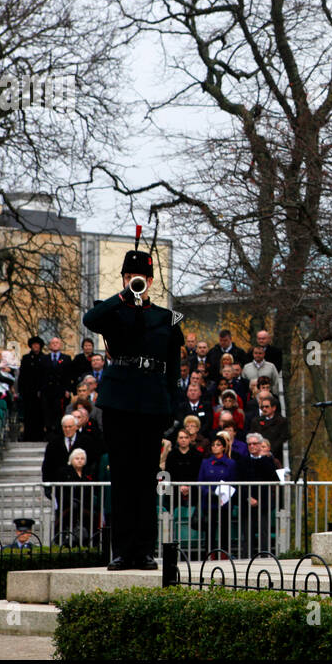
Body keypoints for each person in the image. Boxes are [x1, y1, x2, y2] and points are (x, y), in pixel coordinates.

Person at [82, 237, 184, 570]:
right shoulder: (113, 311)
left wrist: (173, 408)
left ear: (151, 281)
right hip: (119, 401)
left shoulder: (169, 318)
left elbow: (172, 369)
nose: (136, 281)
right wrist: (124, 296)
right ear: (124, 279)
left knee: (146, 478)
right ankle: (122, 551)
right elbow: (91, 319)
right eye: (130, 277)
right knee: (123, 477)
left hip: (152, 403)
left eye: (141, 278)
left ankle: (145, 551)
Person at [18, 337, 49, 442]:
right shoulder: (26, 358)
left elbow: (46, 376)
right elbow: (22, 376)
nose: (36, 346)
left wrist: (43, 389)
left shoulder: (45, 358)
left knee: (40, 415)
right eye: (34, 344)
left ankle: (40, 436)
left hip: (41, 392)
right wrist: (21, 391)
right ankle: (28, 436)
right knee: (29, 415)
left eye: (37, 344)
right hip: (28, 392)